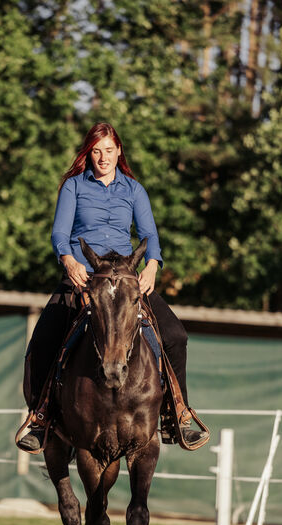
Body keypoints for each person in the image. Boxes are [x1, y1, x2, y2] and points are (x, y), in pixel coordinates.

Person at [18, 122, 205, 453]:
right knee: (44, 338)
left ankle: (179, 413)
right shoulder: (73, 187)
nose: (103, 157)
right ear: (88, 154)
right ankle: (41, 416)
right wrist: (70, 262)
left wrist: (151, 268)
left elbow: (150, 236)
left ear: (119, 151)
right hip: (84, 277)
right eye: (96, 151)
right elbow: (60, 233)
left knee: (175, 336)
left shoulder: (134, 190)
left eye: (108, 150)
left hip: (126, 277)